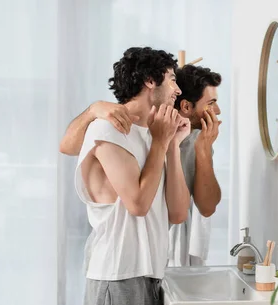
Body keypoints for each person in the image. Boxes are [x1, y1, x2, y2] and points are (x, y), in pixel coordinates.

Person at [72, 46, 190, 305]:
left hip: (150, 274)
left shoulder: (151, 135)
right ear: (150, 80)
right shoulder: (107, 130)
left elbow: (178, 213)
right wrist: (159, 142)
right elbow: (137, 203)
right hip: (117, 275)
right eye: (171, 78)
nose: (178, 89)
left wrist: (171, 145)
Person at [60, 64, 223, 266]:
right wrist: (94, 110)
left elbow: (206, 207)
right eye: (211, 103)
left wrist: (204, 149)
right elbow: (68, 146)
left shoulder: (196, 140)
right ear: (187, 107)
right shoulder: (141, 127)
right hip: (123, 259)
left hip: (159, 255)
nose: (217, 111)